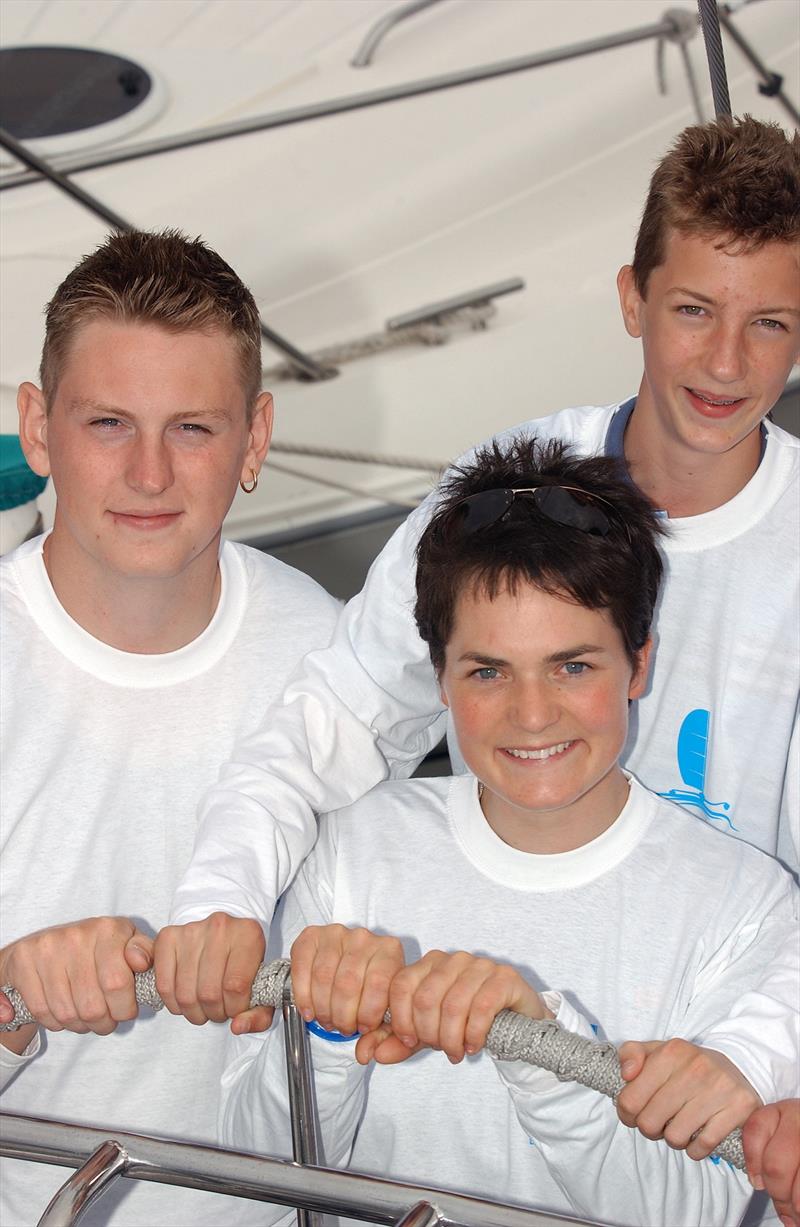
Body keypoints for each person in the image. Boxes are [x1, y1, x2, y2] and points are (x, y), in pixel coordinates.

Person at [159, 113, 799, 1224]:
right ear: (629, 299)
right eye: (693, 309)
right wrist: (219, 904)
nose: (725, 361)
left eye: (769, 323)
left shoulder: (739, 904)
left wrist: (759, 1054)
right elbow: (331, 724)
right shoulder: (498, 498)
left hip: (721, 1072)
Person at [219, 437, 799, 1227]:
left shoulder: (749, 905)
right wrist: (322, 1029)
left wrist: (540, 1052)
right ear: (439, 678)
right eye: (488, 671)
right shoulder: (354, 849)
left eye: (573, 666)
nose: (532, 714)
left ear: (639, 664)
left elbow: (693, 1212)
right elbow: (255, 1183)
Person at [0, 230, 340, 1226]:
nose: (149, 473)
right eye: (109, 421)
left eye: (191, 428)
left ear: (256, 439)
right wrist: (10, 998)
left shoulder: (329, 656)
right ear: (35, 426)